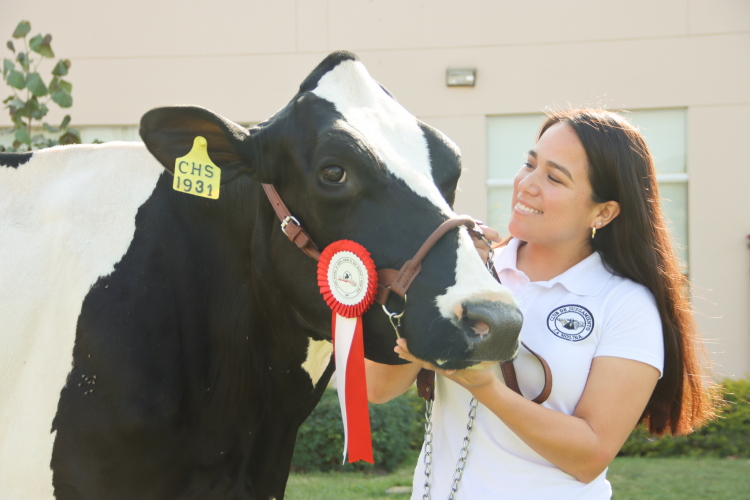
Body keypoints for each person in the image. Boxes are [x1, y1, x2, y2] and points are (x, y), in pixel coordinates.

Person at [365, 109, 716, 499]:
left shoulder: (625, 305)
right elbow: (378, 388)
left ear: (604, 212)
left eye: (554, 177)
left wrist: (486, 387)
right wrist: (441, 283)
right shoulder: (473, 273)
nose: (526, 185)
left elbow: (591, 455)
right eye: (529, 164)